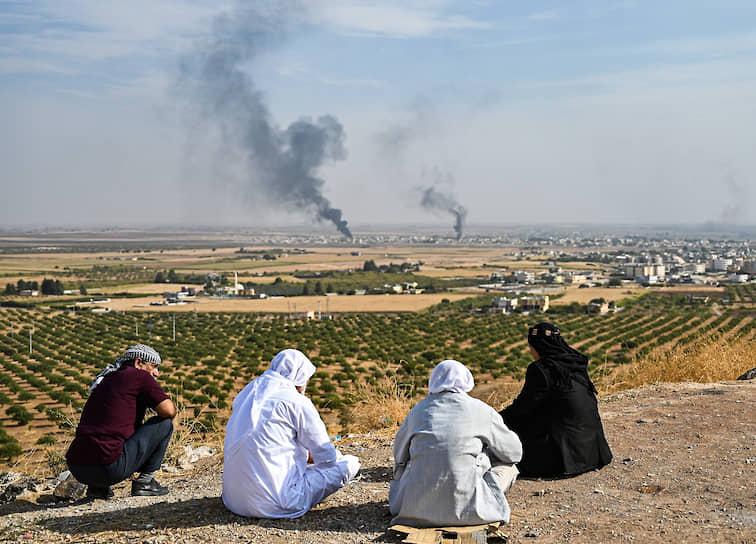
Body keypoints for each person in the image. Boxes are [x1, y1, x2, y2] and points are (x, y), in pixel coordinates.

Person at [222, 349, 360, 518]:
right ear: (300, 376)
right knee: (350, 463)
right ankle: (312, 497)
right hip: (278, 503)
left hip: (233, 502)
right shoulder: (296, 401)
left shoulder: (246, 394)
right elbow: (327, 459)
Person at [389, 360, 522, 528]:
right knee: (509, 466)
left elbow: (399, 457)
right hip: (472, 511)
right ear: (467, 381)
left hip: (413, 510)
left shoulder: (418, 410)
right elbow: (514, 453)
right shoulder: (481, 409)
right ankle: (484, 501)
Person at [500, 322, 612, 478]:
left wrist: (495, 419)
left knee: (514, 426)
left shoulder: (541, 369)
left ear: (535, 346)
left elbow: (523, 407)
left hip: (564, 458)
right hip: (594, 452)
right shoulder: (576, 362)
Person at [66, 344, 176, 499]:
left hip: (77, 468)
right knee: (164, 423)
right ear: (139, 363)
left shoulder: (106, 378)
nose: (156, 373)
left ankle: (97, 489)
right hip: (110, 468)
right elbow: (168, 411)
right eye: (154, 367)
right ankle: (145, 482)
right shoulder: (139, 376)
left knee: (106, 433)